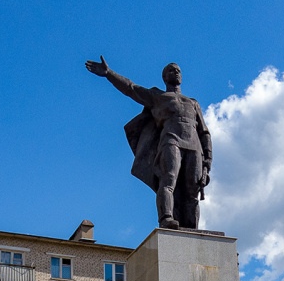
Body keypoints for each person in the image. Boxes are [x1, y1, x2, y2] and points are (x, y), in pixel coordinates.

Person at [85, 56, 212, 230]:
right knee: (169, 180)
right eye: (171, 70)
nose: (176, 72)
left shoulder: (193, 103)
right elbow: (131, 88)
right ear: (164, 77)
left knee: (192, 191)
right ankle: (167, 218)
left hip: (194, 147)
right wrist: (109, 74)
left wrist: (207, 163)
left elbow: (204, 133)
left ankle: (192, 228)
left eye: (178, 70)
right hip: (171, 140)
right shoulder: (157, 96)